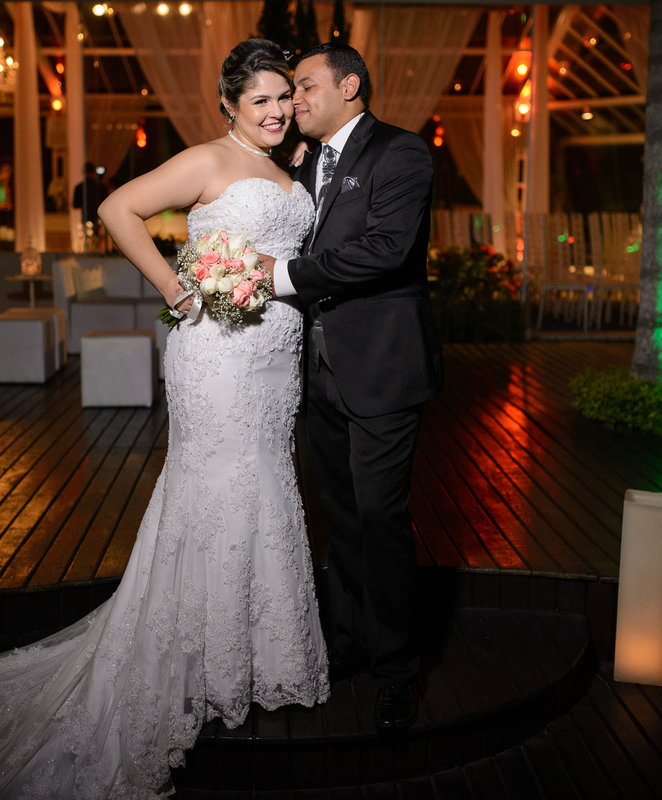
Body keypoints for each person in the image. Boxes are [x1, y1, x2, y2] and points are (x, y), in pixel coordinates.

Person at [0, 39, 326, 800]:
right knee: (218, 491)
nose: (277, 110)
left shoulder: (290, 170)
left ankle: (258, 655)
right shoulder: (206, 160)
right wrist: (178, 286)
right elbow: (115, 208)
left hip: (275, 361)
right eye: (260, 100)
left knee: (265, 487)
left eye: (283, 98)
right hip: (218, 357)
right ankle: (205, 660)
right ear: (228, 105)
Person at [257, 42, 443, 733]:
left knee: (381, 519)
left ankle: (398, 671)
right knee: (338, 517)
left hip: (384, 368)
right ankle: (351, 642)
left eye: (303, 88)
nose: (292, 101)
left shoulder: (401, 152)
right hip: (315, 370)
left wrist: (279, 276)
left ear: (350, 86)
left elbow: (388, 248)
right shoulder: (304, 166)